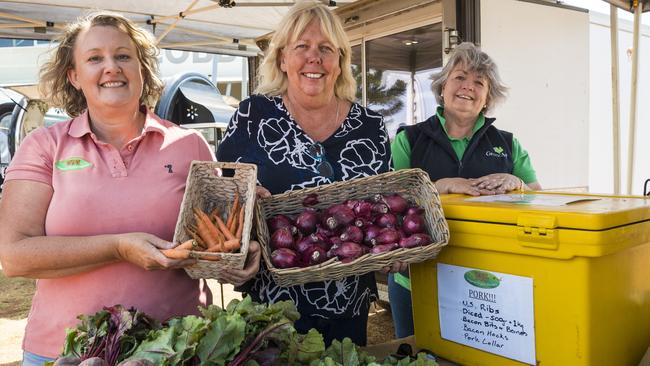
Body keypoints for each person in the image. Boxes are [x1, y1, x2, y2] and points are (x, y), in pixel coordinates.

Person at [0, 12, 260, 365]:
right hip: (68, 353)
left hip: (179, 347)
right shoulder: (44, 146)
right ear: (74, 76)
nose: (111, 67)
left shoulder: (188, 144)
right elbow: (14, 255)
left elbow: (208, 241)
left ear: (142, 69)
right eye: (95, 58)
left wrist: (239, 245)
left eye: (123, 56)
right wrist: (119, 247)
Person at [217, 0, 404, 346]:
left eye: (325, 49)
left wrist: (391, 249)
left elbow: (383, 208)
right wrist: (246, 206)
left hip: (349, 304)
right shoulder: (252, 117)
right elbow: (223, 201)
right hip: (272, 308)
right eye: (301, 47)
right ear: (282, 59)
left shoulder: (370, 127)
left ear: (340, 62)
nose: (313, 58)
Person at [388, 42, 542, 338]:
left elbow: (537, 196)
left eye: (479, 82)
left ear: (487, 98)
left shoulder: (508, 144)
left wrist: (519, 185)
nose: (467, 87)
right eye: (460, 77)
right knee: (414, 352)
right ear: (443, 86)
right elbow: (388, 205)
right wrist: (438, 187)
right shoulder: (409, 139)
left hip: (486, 280)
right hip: (416, 276)